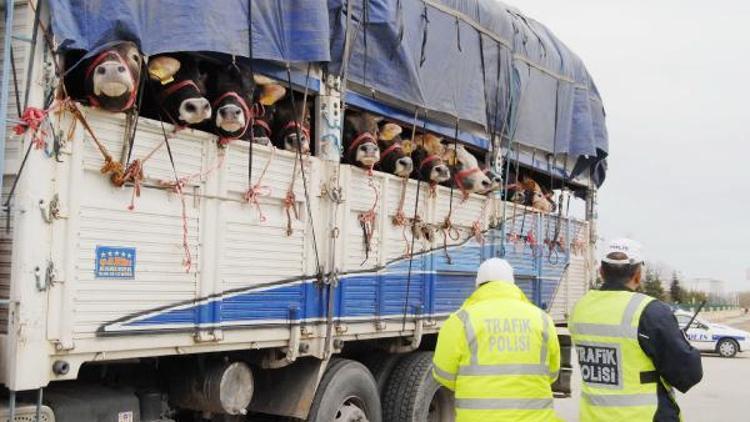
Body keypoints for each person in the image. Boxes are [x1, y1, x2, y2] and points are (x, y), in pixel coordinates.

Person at [569, 238, 703, 421]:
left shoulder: (580, 309)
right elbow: (689, 374)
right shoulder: (650, 311)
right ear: (638, 275)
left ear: (601, 272)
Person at [433, 258, 561, 422]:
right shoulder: (542, 319)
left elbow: (443, 374)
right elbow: (552, 373)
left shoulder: (461, 320)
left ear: (478, 285)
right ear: (513, 284)